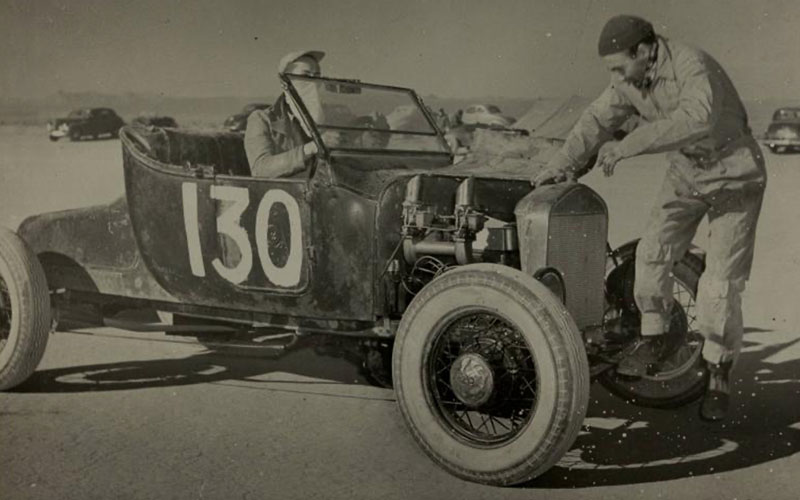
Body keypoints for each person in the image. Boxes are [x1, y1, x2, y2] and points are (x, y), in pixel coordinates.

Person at [533, 15, 767, 421]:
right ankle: (656, 336)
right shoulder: (629, 79)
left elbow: (698, 119)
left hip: (736, 173)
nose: (616, 75)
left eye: (619, 65)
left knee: (719, 284)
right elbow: (595, 120)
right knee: (653, 252)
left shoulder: (692, 64)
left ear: (644, 51)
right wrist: (560, 165)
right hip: (688, 171)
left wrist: (629, 146)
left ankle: (718, 374)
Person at [244, 50, 325, 177]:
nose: (312, 82)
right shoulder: (262, 119)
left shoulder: (329, 119)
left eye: (317, 76)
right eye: (305, 76)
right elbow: (260, 169)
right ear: (286, 82)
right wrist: (312, 148)